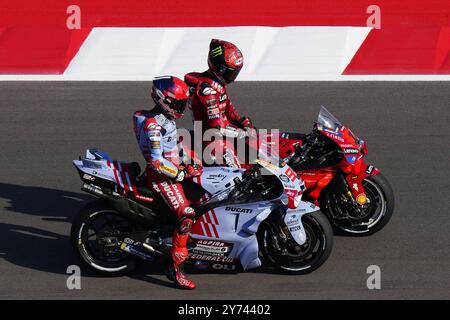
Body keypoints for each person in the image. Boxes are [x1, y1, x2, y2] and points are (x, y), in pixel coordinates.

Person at [133, 76, 202, 289]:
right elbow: (156, 161)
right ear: (164, 100)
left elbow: (173, 145)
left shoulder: (166, 119)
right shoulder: (154, 126)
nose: (181, 107)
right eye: (178, 103)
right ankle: (175, 268)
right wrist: (180, 174)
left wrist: (191, 157)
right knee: (187, 214)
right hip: (162, 178)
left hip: (171, 171)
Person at [185, 39, 253, 168]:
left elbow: (229, 110)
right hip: (212, 142)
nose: (232, 76)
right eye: (230, 72)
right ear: (219, 68)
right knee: (238, 175)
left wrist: (242, 122)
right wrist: (242, 133)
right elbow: (216, 127)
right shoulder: (206, 90)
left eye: (235, 72)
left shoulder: (218, 85)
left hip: (226, 136)